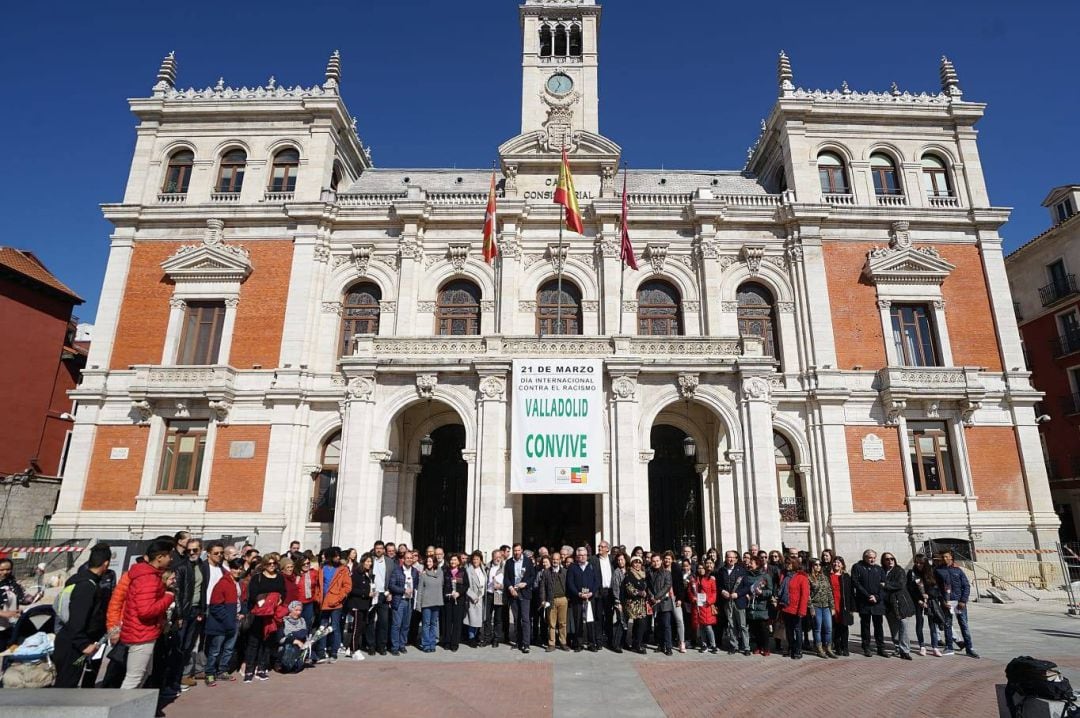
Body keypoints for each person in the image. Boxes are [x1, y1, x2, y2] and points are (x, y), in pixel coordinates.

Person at [53, 543, 112, 688]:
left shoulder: (78, 580)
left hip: (70, 641)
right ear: (106, 564)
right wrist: (83, 644)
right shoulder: (87, 586)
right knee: (66, 684)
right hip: (73, 646)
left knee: (68, 681)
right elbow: (77, 619)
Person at [120, 539, 176, 689]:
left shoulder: (148, 575)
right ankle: (122, 710)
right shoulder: (149, 579)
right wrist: (168, 597)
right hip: (141, 633)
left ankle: (134, 707)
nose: (171, 559)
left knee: (144, 673)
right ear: (159, 557)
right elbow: (146, 611)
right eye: (169, 556)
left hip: (143, 631)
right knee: (134, 677)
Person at [204, 558, 244, 685]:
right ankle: (210, 673)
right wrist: (227, 618)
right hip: (221, 622)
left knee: (229, 648)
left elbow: (242, 600)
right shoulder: (223, 583)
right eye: (235, 568)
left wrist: (242, 612)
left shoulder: (239, 583)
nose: (238, 571)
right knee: (215, 649)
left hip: (235, 620)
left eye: (240, 568)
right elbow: (215, 606)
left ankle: (222, 670)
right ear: (230, 569)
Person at [936, 550, 979, 658]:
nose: (944, 559)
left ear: (951, 557)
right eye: (943, 557)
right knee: (947, 625)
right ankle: (949, 648)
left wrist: (963, 601)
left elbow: (966, 586)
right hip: (947, 603)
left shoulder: (958, 570)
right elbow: (937, 589)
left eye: (946, 556)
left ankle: (969, 648)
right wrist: (942, 601)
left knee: (964, 625)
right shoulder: (938, 571)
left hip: (959, 603)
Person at [315, 547, 351, 663]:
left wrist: (339, 597)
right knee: (322, 626)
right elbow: (318, 585)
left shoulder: (343, 569)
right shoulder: (322, 568)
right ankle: (321, 651)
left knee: (335, 627)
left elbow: (347, 586)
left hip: (336, 603)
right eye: (335, 555)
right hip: (323, 601)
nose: (338, 557)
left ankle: (334, 652)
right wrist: (317, 596)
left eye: (339, 555)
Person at [851, 549, 888, 657]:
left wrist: (876, 597)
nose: (872, 559)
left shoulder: (879, 569)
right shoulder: (857, 567)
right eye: (870, 557)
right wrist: (868, 596)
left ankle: (881, 647)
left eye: (874, 557)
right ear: (865, 557)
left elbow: (884, 585)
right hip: (864, 602)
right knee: (865, 626)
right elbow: (856, 583)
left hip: (877, 602)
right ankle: (866, 647)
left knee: (878, 626)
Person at [882, 552, 915, 660]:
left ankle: (905, 650)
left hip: (900, 603)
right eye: (887, 559)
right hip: (888, 604)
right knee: (894, 627)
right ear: (883, 561)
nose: (890, 561)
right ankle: (897, 647)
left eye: (892, 558)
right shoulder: (882, 571)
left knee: (903, 626)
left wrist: (885, 585)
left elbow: (900, 584)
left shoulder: (899, 570)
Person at [503, 543, 535, 654]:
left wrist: (525, 583)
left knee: (525, 619)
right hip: (513, 593)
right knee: (516, 619)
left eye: (518, 550)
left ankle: (526, 644)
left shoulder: (528, 561)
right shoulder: (509, 562)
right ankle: (518, 641)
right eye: (514, 550)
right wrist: (510, 587)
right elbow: (506, 577)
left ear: (521, 550)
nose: (516, 552)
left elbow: (532, 576)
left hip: (525, 593)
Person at [716, 550, 749, 655]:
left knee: (742, 625)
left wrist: (738, 594)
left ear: (736, 559)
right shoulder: (721, 571)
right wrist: (722, 591)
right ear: (725, 558)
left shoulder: (742, 570)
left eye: (732, 557)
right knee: (731, 625)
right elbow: (719, 585)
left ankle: (746, 647)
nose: (730, 559)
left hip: (739, 601)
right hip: (727, 602)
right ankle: (734, 646)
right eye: (728, 557)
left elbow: (747, 587)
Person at [777, 554, 810, 659]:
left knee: (797, 630)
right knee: (789, 630)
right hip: (785, 607)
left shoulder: (802, 577)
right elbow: (781, 591)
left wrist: (802, 611)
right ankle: (791, 647)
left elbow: (804, 595)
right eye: (786, 563)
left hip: (796, 609)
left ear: (795, 564)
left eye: (789, 563)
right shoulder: (784, 575)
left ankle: (798, 650)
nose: (787, 565)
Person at [366, 541, 393, 656]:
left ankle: (381, 646)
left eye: (381, 548)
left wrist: (390, 592)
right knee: (370, 621)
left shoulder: (390, 562)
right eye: (377, 548)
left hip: (383, 594)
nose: (379, 550)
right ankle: (371, 646)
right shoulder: (370, 560)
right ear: (374, 549)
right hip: (372, 594)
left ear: (384, 550)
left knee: (383, 622)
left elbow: (392, 578)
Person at [807, 558, 837, 659]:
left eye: (819, 565)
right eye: (815, 565)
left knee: (828, 628)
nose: (818, 566)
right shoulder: (809, 578)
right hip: (816, 606)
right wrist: (811, 608)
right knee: (817, 629)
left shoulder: (824, 577)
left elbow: (829, 592)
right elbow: (808, 595)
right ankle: (819, 649)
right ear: (811, 566)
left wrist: (832, 607)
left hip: (826, 607)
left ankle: (828, 648)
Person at [345, 553, 373, 660]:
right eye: (367, 561)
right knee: (357, 628)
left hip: (365, 604)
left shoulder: (368, 574)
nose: (369, 564)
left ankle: (349, 647)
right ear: (363, 562)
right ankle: (354, 650)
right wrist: (366, 593)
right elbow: (352, 589)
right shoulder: (356, 573)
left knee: (360, 627)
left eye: (370, 562)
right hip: (356, 604)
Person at [588, 541, 615, 649]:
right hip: (598, 592)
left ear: (607, 549)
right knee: (598, 617)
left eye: (602, 547)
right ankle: (598, 641)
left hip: (610, 592)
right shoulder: (593, 559)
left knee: (609, 616)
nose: (599, 548)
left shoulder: (612, 560)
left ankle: (609, 639)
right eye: (599, 546)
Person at [745, 555, 774, 656]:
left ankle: (766, 648)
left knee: (763, 629)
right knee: (754, 629)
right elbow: (745, 588)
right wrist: (746, 594)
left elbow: (770, 591)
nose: (749, 565)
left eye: (751, 563)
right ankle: (758, 646)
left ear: (757, 564)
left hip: (762, 606)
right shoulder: (747, 576)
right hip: (751, 606)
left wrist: (761, 592)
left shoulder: (765, 576)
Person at [414, 555, 444, 653]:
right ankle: (426, 644)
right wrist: (418, 604)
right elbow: (420, 590)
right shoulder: (423, 574)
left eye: (430, 561)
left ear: (434, 562)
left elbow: (442, 585)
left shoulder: (440, 573)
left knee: (434, 623)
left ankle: (432, 643)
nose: (428, 563)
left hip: (437, 602)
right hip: (426, 603)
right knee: (426, 624)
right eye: (427, 562)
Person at [687, 562, 718, 653]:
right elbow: (690, 591)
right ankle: (704, 645)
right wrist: (693, 598)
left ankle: (713, 645)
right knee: (701, 627)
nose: (701, 570)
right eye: (699, 568)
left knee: (708, 627)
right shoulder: (693, 580)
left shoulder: (711, 580)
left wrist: (709, 601)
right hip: (697, 606)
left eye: (702, 568)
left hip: (707, 606)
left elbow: (714, 592)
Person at [646, 553, 674, 655]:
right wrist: (652, 597)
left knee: (666, 625)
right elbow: (648, 586)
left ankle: (668, 647)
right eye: (653, 561)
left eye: (657, 561)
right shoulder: (649, 572)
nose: (656, 563)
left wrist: (657, 597)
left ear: (661, 561)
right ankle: (661, 645)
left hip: (665, 602)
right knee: (658, 625)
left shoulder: (667, 573)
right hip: (654, 603)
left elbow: (667, 586)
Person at [622, 556, 649, 654]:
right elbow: (629, 588)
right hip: (633, 603)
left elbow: (645, 586)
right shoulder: (629, 574)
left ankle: (636, 643)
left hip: (641, 603)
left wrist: (646, 593)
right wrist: (640, 593)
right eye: (635, 563)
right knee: (641, 623)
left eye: (639, 563)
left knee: (639, 624)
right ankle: (637, 644)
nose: (637, 565)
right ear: (632, 564)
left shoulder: (642, 574)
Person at [295, 555, 322, 645]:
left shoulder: (313, 573)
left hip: (309, 602)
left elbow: (320, 584)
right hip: (298, 603)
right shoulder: (296, 574)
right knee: (297, 624)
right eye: (304, 563)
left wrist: (317, 597)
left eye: (308, 563)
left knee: (307, 624)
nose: (306, 565)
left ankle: (305, 643)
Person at [442, 554, 466, 651]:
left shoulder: (463, 572)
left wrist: (459, 593)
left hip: (458, 601)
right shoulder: (446, 572)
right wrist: (447, 593)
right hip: (448, 600)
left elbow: (466, 585)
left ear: (459, 561)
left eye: (455, 560)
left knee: (457, 622)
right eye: (451, 560)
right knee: (447, 622)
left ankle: (455, 643)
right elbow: (443, 585)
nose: (453, 562)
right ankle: (447, 642)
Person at [830, 556, 853, 656]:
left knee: (844, 626)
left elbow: (851, 592)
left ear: (842, 565)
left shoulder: (846, 576)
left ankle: (845, 647)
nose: (836, 564)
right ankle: (838, 647)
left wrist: (852, 607)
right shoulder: (828, 576)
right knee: (835, 627)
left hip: (843, 604)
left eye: (839, 562)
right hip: (833, 603)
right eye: (835, 562)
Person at [485, 548, 507, 648]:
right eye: (496, 557)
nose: (498, 559)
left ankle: (496, 639)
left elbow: (508, 581)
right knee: (487, 618)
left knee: (498, 618)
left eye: (499, 557)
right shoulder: (487, 567)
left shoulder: (505, 567)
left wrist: (501, 586)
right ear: (492, 557)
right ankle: (487, 638)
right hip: (489, 594)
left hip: (499, 594)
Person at [278, 601, 308, 673]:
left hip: (300, 646)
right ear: (291, 610)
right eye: (296, 610)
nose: (298, 612)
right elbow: (280, 639)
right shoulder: (284, 620)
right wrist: (294, 640)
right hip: (286, 645)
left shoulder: (302, 620)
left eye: (300, 610)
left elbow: (304, 634)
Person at [464, 551, 487, 647]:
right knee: (472, 619)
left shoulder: (483, 569)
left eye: (477, 559)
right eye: (474, 559)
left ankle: (476, 636)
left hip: (481, 597)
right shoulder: (468, 570)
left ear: (481, 560)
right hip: (473, 598)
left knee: (478, 620)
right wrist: (473, 596)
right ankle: (471, 638)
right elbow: (466, 585)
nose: (475, 561)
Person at [670, 555, 690, 653]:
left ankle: (682, 641)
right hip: (664, 599)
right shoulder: (661, 570)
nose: (667, 561)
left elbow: (680, 587)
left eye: (669, 559)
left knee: (679, 620)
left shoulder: (676, 571)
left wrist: (679, 599)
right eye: (666, 559)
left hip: (676, 598)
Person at [610, 552, 628, 653]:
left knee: (625, 621)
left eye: (622, 559)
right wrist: (618, 601)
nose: (620, 561)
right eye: (619, 560)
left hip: (628, 601)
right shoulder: (617, 572)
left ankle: (623, 642)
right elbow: (615, 588)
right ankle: (616, 644)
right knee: (621, 621)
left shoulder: (628, 570)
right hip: (619, 600)